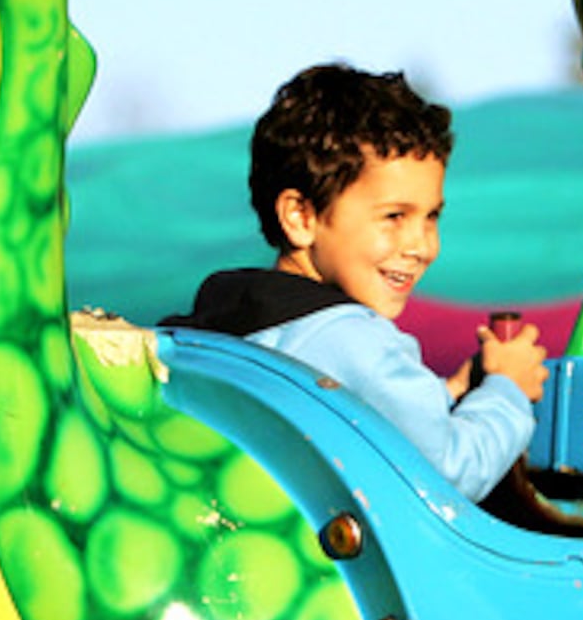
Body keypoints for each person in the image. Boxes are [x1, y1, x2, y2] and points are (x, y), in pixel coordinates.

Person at [164, 63, 548, 501]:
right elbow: (450, 472)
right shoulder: (350, 338)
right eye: (394, 217)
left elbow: (370, 421)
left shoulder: (231, 328)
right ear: (301, 216)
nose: (422, 246)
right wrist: (508, 390)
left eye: (431, 216)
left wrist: (451, 394)